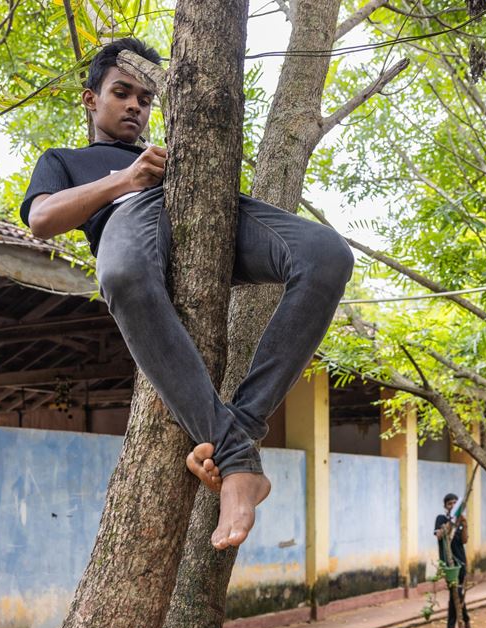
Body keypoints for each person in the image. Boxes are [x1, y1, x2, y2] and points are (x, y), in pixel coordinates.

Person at [19, 38, 354, 551]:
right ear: (91, 99)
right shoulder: (64, 160)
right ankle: (238, 460)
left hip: (205, 205)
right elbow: (42, 219)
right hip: (128, 216)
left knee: (328, 255)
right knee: (124, 274)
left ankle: (239, 427)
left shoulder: (171, 144)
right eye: (121, 92)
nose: (135, 105)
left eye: (145, 99)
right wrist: (126, 179)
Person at [434, 493, 470, 628]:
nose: (453, 505)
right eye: (450, 504)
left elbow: (465, 540)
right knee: (454, 593)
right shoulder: (441, 519)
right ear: (445, 506)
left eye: (455, 503)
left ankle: (458, 625)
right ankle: (461, 623)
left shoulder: (461, 520)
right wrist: (452, 521)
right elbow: (439, 535)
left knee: (458, 594)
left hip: (461, 562)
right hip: (449, 565)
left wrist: (464, 524)